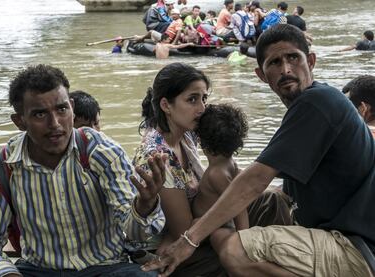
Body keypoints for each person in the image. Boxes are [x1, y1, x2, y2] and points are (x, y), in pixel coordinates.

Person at [142, 24, 375, 277]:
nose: (285, 69)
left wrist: (191, 239)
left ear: (311, 61)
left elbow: (256, 178)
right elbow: (264, 185)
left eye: (293, 58)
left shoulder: (316, 102)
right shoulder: (171, 145)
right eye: (275, 63)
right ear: (261, 75)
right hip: (348, 236)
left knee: (233, 250)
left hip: (354, 247)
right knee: (273, 199)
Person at [0, 64, 167, 277]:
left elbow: (135, 234)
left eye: (61, 109)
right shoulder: (4, 164)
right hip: (38, 270)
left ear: (71, 107)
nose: (55, 124)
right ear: (20, 121)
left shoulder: (100, 151)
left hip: (105, 267)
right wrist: (6, 273)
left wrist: (144, 206)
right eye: (40, 114)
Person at [131, 63, 225, 277]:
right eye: (192, 99)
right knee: (235, 251)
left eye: (204, 99)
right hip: (166, 252)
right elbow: (183, 232)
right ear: (166, 105)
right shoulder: (158, 156)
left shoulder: (186, 134)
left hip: (191, 232)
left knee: (270, 201)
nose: (202, 108)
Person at [192, 104, 249, 234]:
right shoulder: (230, 163)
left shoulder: (216, 174)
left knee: (165, 247)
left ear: (201, 141)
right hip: (216, 224)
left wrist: (244, 237)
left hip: (208, 230)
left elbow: (238, 205)